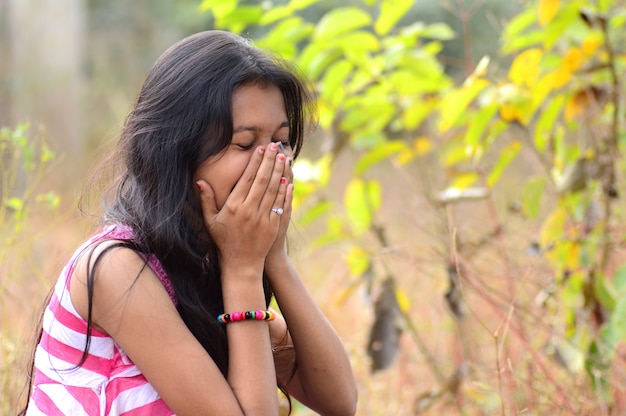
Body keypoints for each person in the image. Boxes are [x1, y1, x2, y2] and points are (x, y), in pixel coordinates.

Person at [20, 30, 357, 415]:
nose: (272, 163)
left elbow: (340, 401)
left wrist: (273, 256)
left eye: (281, 142)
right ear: (177, 152)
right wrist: (244, 269)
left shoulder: (210, 261)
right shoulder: (117, 268)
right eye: (246, 144)